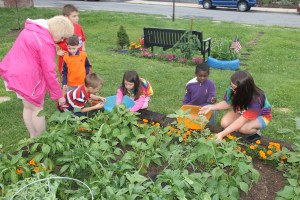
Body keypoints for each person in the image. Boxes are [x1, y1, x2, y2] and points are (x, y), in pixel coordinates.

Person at [0, 16, 74, 138]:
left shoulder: (32, 29)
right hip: (27, 78)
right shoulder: (45, 42)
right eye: (62, 37)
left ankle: (33, 136)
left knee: (28, 107)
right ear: (57, 31)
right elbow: (49, 72)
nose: (61, 40)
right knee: (37, 109)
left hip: (14, 72)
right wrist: (59, 96)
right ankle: (41, 139)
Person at [200, 70, 272, 142]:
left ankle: (255, 131)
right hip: (241, 111)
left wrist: (222, 133)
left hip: (261, 116)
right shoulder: (232, 88)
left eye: (234, 88)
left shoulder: (257, 99)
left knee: (243, 129)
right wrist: (211, 107)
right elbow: (228, 103)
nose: (231, 89)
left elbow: (242, 120)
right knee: (224, 123)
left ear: (244, 89)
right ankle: (238, 127)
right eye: (231, 86)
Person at [57, 4, 86, 76]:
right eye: (74, 16)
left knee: (79, 75)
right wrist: (57, 51)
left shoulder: (78, 26)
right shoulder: (61, 29)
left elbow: (82, 38)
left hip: (78, 57)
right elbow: (51, 41)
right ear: (66, 17)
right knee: (66, 76)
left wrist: (83, 47)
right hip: (66, 58)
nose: (77, 18)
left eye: (77, 16)